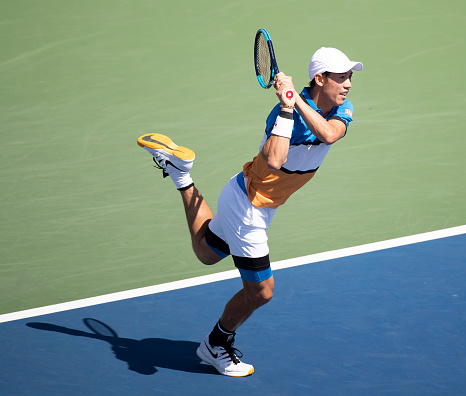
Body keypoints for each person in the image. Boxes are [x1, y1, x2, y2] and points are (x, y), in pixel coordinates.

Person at [137, 47, 363, 377]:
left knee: (206, 253)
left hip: (250, 199)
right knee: (261, 292)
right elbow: (274, 160)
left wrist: (295, 100)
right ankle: (215, 344)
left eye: (350, 77)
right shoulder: (282, 114)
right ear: (319, 78)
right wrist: (288, 109)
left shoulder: (342, 109)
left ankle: (180, 173)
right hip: (249, 208)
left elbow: (329, 134)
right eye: (341, 77)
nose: (348, 85)